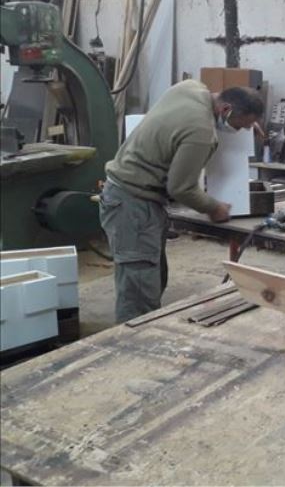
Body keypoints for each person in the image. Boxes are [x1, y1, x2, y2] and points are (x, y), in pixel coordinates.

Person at [99, 79, 264, 323]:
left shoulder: (189, 88)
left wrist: (248, 122)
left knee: (153, 277)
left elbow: (213, 109)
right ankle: (132, 341)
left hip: (129, 197)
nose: (240, 131)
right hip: (132, 205)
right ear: (226, 109)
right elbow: (180, 188)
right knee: (139, 291)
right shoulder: (201, 132)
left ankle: (144, 329)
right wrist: (213, 207)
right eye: (239, 126)